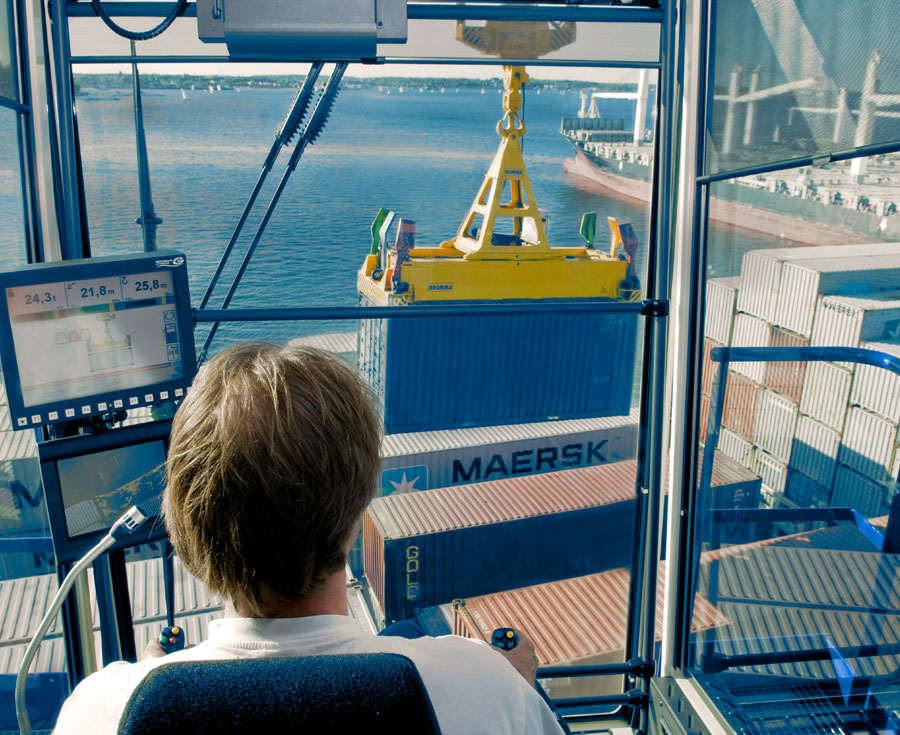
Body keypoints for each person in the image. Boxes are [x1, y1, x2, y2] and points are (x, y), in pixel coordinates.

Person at [54, 343, 564, 734]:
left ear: (186, 524)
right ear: (355, 517)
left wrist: (145, 682)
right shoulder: (482, 686)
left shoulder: (102, 710)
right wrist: (510, 694)